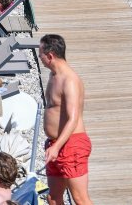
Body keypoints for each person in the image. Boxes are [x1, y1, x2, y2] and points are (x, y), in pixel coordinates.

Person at [39, 34, 92, 205]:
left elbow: (73, 118)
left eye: (40, 54)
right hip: (55, 143)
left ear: (50, 56)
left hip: (71, 144)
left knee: (80, 199)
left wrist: (57, 147)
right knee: (53, 198)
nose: (39, 58)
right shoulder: (53, 76)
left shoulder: (69, 80)